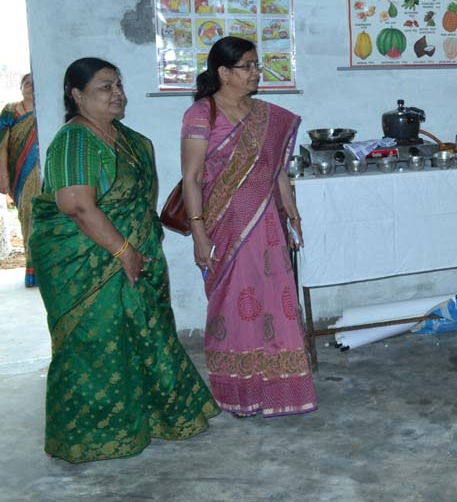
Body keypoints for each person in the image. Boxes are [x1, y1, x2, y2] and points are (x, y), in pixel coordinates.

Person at [30, 58, 218, 464]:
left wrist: (137, 250)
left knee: (145, 337)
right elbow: (77, 205)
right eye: (105, 87)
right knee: (96, 345)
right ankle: (94, 437)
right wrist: (124, 252)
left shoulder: (130, 140)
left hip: (136, 256)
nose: (117, 93)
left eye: (118, 85)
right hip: (85, 265)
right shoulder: (74, 141)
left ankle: (153, 419)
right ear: (77, 95)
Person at [181, 36, 317, 417]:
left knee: (277, 301)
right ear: (224, 72)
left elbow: (277, 172)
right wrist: (199, 235)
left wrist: (292, 212)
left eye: (257, 65)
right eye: (248, 66)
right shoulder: (201, 114)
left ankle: (281, 390)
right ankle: (241, 393)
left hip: (267, 225)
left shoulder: (265, 115)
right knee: (235, 308)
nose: (256, 73)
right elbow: (192, 178)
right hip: (226, 227)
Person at [0, 73, 41, 286]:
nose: (29, 86)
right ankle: (32, 270)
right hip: (19, 174)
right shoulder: (9, 111)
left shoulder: (45, 108)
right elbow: (1, 147)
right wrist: (3, 177)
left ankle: (44, 269)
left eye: (33, 83)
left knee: (42, 215)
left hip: (42, 172)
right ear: (21, 87)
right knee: (27, 215)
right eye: (26, 83)